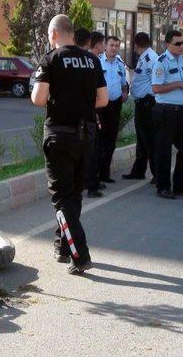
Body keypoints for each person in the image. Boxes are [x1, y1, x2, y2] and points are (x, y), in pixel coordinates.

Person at [31, 14, 108, 275]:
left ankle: (80, 255)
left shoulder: (51, 59)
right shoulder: (92, 60)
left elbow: (39, 99)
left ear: (53, 34)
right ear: (72, 33)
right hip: (85, 137)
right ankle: (63, 247)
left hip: (59, 136)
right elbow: (103, 99)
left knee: (61, 199)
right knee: (74, 195)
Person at [151, 30, 183, 199]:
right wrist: (179, 84)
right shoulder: (161, 62)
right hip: (165, 110)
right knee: (164, 150)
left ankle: (181, 185)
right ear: (167, 44)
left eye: (182, 43)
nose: (181, 46)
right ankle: (163, 187)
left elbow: (181, 82)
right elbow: (156, 88)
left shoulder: (181, 60)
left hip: (180, 110)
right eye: (177, 43)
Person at [122, 32, 158, 183]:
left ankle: (157, 174)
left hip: (147, 104)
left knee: (149, 140)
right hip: (141, 104)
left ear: (136, 45)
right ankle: (139, 170)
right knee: (142, 140)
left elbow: (155, 81)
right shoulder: (144, 57)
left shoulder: (151, 59)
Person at [97, 36, 129, 184]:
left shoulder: (120, 65)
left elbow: (124, 84)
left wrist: (124, 93)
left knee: (111, 141)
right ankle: (95, 175)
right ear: (105, 46)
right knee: (99, 141)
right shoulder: (97, 62)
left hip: (115, 106)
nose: (114, 48)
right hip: (101, 107)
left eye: (117, 45)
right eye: (111, 45)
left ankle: (104, 174)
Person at [84, 31, 107, 198]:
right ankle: (91, 185)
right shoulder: (92, 61)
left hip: (80, 111)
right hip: (90, 110)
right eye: (104, 43)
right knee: (91, 149)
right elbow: (101, 95)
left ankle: (90, 182)